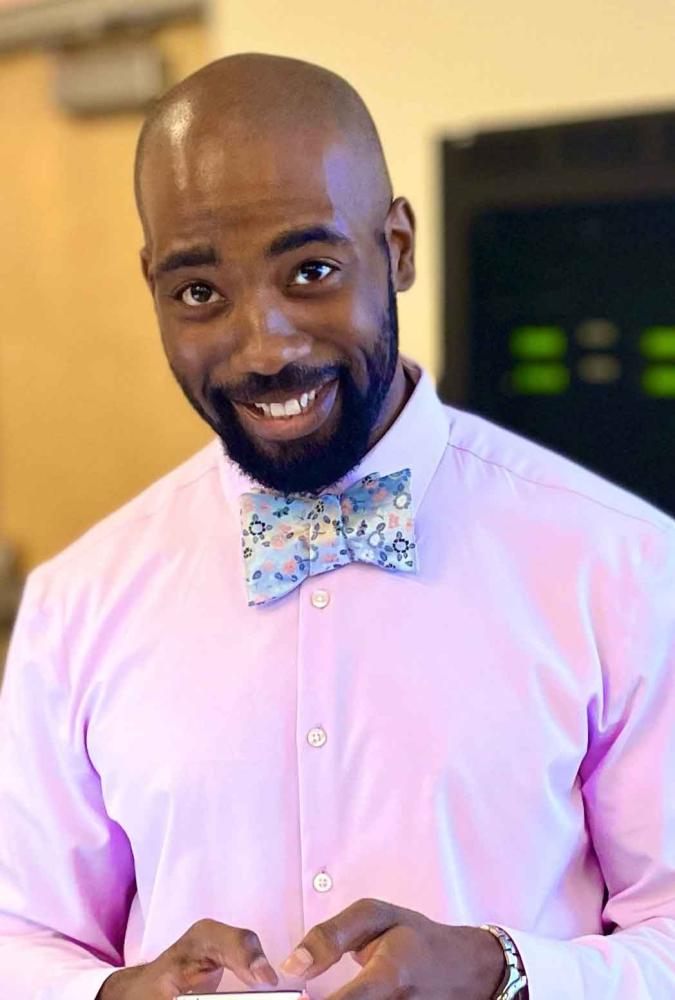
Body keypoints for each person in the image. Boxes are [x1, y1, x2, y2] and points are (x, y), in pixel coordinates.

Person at [0, 52, 674, 1000]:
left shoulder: (620, 563)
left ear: (395, 246)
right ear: (152, 284)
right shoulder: (77, 602)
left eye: (310, 269)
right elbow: (20, 931)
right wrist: (110, 993)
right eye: (199, 294)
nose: (264, 345)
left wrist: (503, 971)